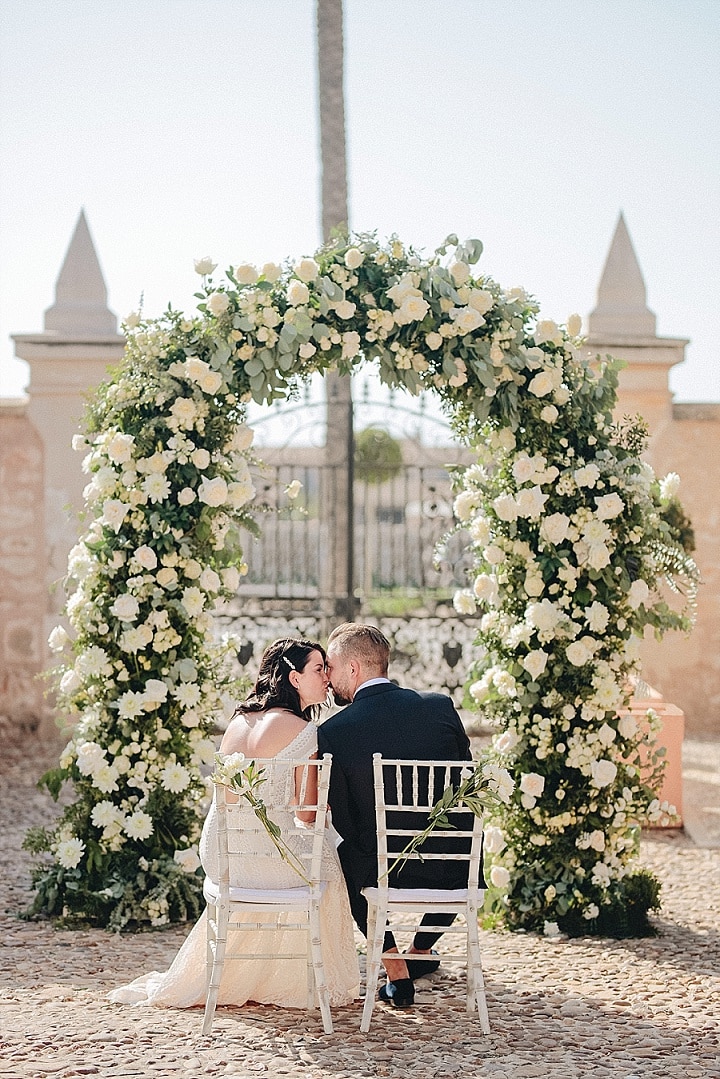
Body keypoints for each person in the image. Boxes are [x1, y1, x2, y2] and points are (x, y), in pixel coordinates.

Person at [109, 638, 360, 1011]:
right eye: (319, 669)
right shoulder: (304, 731)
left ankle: (257, 970)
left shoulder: (238, 721)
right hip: (260, 859)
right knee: (325, 860)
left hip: (222, 851)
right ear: (294, 678)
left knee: (299, 852)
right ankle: (303, 978)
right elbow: (306, 814)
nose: (326, 677)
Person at [317, 622, 473, 1010]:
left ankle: (397, 969)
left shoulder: (335, 730)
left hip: (380, 869)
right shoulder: (440, 707)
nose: (328, 678)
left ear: (353, 669)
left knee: (346, 852)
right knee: (464, 836)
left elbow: (346, 822)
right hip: (449, 866)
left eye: (331, 667)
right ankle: (420, 949)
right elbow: (466, 781)